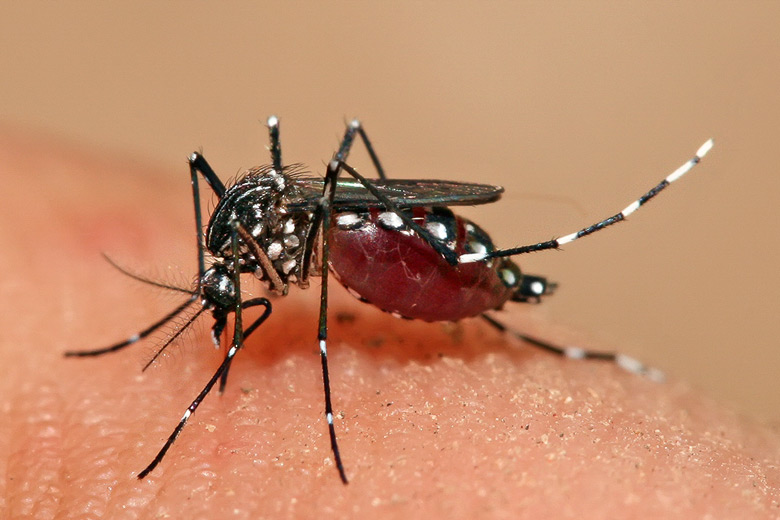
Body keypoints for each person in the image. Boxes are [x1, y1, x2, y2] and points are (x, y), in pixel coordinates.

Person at [2, 130, 778, 518]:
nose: (228, 305)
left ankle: (499, 277)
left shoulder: (259, 244)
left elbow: (288, 254)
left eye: (222, 293)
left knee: (339, 205)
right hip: (344, 228)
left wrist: (328, 413)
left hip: (376, 232)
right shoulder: (235, 244)